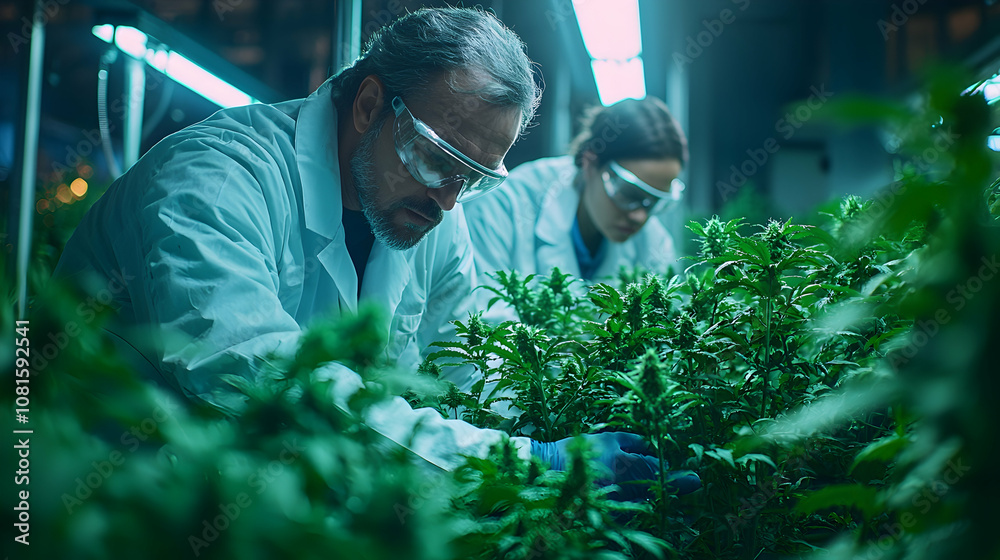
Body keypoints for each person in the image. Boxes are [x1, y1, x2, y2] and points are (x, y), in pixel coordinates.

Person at [53, 7, 690, 497]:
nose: (449, 199)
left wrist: (576, 422)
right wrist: (524, 465)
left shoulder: (434, 212)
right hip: (102, 497)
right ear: (367, 105)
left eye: (472, 178)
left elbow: (473, 358)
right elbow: (266, 380)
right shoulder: (217, 180)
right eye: (438, 158)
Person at [463, 96, 689, 319]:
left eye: (654, 202)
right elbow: (486, 320)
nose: (640, 216)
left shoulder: (652, 242)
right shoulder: (506, 206)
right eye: (629, 194)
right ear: (590, 163)